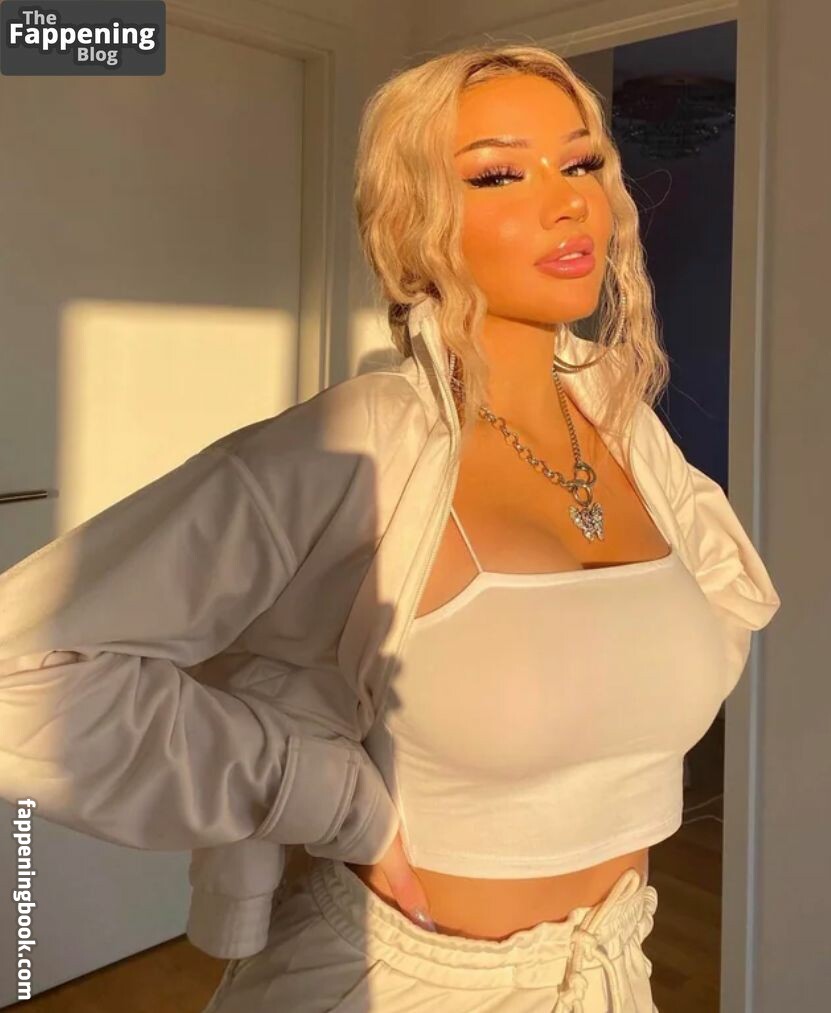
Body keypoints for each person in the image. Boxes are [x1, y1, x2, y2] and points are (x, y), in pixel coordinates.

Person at [0, 44, 781, 1013]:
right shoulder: (355, 443)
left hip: (614, 969)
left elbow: (728, 598)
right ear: (416, 225)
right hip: (395, 982)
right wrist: (320, 793)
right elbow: (22, 667)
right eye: (499, 175)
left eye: (581, 162)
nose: (567, 201)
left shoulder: (619, 416)